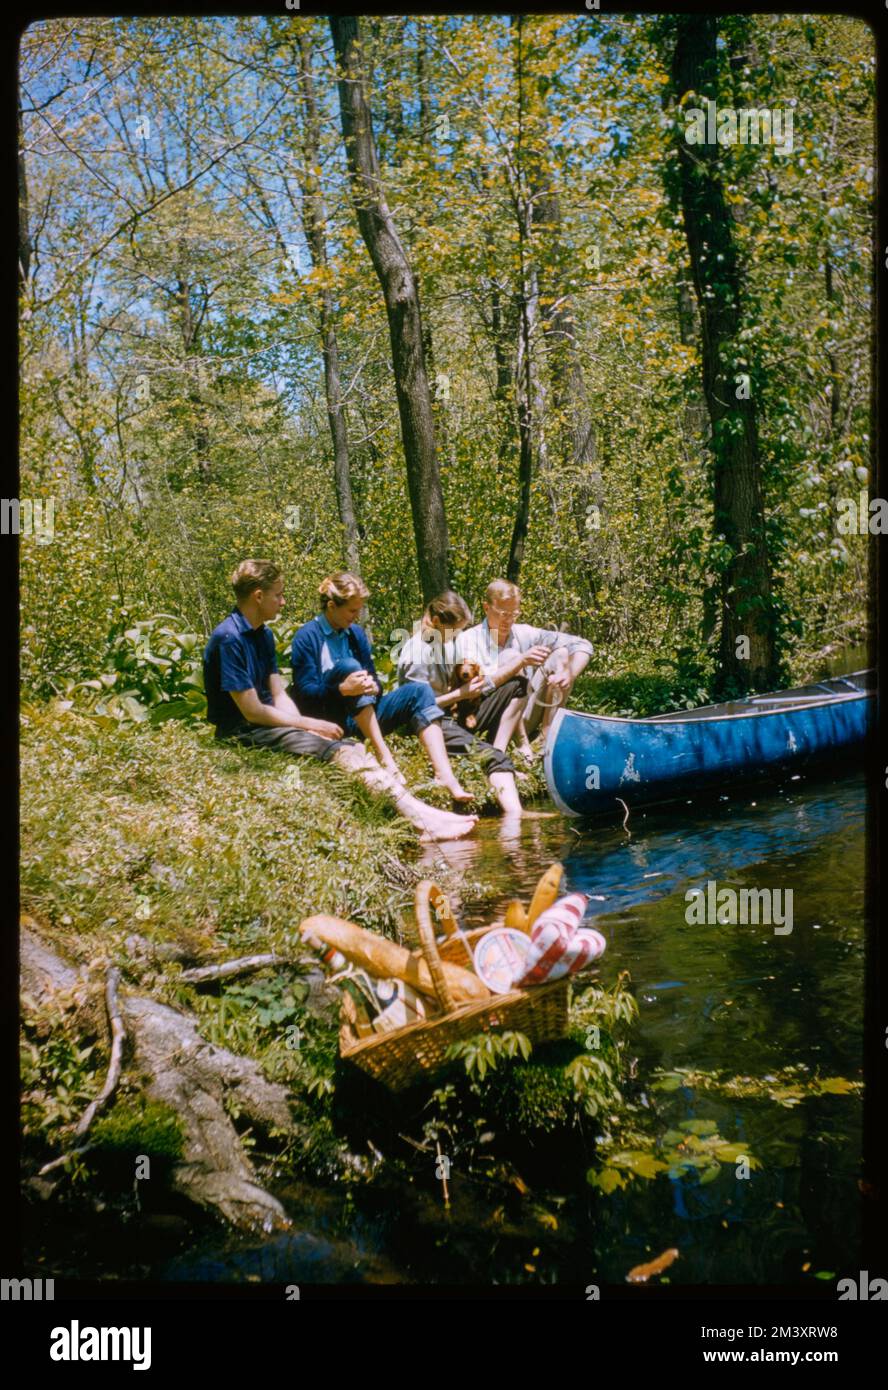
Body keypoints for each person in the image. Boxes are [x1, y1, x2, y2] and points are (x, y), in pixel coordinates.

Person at [203, 559, 477, 842]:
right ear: (258, 596)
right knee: (343, 751)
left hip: (273, 724)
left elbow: (278, 694)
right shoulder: (230, 638)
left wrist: (305, 727)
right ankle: (423, 821)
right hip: (243, 731)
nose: (283, 602)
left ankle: (427, 815)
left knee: (353, 747)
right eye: (278, 594)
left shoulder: (263, 634)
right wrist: (309, 722)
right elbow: (252, 711)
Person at [289, 572, 474, 804]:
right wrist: (342, 690)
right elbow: (305, 695)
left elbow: (375, 681)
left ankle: (445, 774)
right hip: (330, 719)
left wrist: (371, 686)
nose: (356, 617)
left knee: (420, 690)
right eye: (352, 611)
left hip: (365, 715)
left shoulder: (355, 634)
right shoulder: (307, 637)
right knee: (348, 665)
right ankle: (384, 755)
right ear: (331, 606)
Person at [395, 590, 524, 818]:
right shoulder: (417, 652)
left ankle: (488, 742)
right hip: (430, 723)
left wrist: (472, 689)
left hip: (455, 711)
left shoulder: (445, 642)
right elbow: (416, 708)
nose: (457, 636)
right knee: (495, 758)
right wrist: (460, 695)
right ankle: (517, 816)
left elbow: (456, 684)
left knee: (516, 684)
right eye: (455, 630)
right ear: (436, 622)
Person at [455, 579, 593, 757]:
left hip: (524, 714)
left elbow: (582, 644)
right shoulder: (468, 640)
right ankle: (521, 744)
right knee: (511, 657)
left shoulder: (524, 632)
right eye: (503, 614)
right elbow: (474, 691)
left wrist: (570, 673)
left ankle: (546, 738)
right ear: (486, 608)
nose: (509, 621)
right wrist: (519, 662)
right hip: (491, 721)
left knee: (561, 654)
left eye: (515, 614)